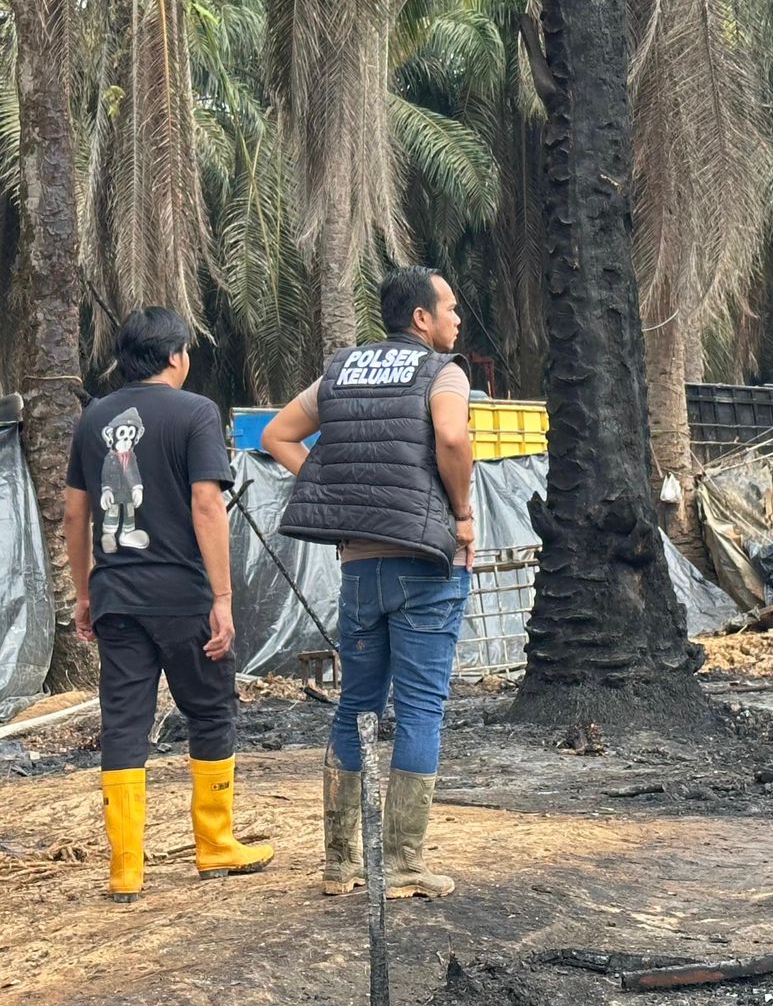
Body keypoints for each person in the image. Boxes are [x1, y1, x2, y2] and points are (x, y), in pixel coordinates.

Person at [265, 266, 474, 900]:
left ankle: (339, 863)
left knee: (356, 706)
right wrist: (461, 515)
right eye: (450, 309)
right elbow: (452, 437)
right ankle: (406, 865)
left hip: (359, 569)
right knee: (419, 708)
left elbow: (277, 435)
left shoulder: (342, 371)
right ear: (421, 319)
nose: (457, 320)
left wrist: (334, 493)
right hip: (424, 567)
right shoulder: (445, 372)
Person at [64, 307, 273, 903]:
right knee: (209, 712)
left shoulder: (94, 418)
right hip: (183, 598)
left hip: (117, 599)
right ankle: (215, 846)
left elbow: (75, 513)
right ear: (176, 356)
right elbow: (208, 505)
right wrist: (224, 598)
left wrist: (86, 591)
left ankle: (125, 869)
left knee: (124, 723)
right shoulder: (196, 412)